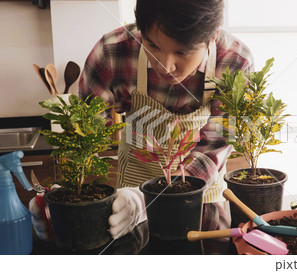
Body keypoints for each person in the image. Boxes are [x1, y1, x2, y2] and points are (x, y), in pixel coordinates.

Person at [30, 0, 254, 240]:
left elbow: (216, 147)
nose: (165, 65)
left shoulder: (234, 61)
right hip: (129, 201)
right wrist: (67, 202)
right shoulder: (112, 52)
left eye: (182, 52)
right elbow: (85, 138)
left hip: (203, 199)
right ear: (141, 29)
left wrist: (151, 197)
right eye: (153, 46)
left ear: (212, 37)